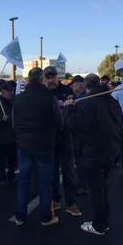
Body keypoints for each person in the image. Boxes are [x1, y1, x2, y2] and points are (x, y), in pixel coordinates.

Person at [63, 74, 123, 235]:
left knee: (96, 189)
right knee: (103, 186)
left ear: (86, 86)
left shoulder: (89, 103)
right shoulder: (112, 101)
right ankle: (104, 219)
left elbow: (73, 124)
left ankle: (100, 224)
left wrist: (68, 108)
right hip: (110, 149)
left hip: (93, 152)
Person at [13, 67, 63, 227]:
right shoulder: (49, 97)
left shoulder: (19, 98)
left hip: (24, 145)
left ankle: (20, 217)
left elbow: (14, 124)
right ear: (42, 79)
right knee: (45, 182)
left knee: (23, 181)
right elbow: (59, 122)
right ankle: (45, 217)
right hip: (44, 145)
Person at [43, 66, 81, 216]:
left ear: (57, 77)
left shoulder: (67, 90)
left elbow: (72, 108)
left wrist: (67, 104)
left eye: (53, 76)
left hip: (65, 137)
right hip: (49, 137)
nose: (51, 79)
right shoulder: (43, 93)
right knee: (51, 172)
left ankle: (71, 203)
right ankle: (55, 199)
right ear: (44, 78)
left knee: (68, 172)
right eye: (48, 77)